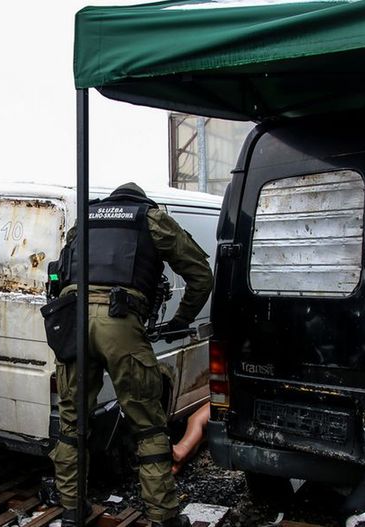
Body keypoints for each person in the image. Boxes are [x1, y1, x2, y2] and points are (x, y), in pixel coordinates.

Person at [50, 183, 214, 527]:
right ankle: (163, 516)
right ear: (141, 200)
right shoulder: (151, 218)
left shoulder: (86, 218)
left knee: (72, 423)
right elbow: (201, 276)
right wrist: (180, 320)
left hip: (72, 320)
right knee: (147, 423)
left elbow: (61, 270)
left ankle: (72, 510)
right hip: (120, 321)